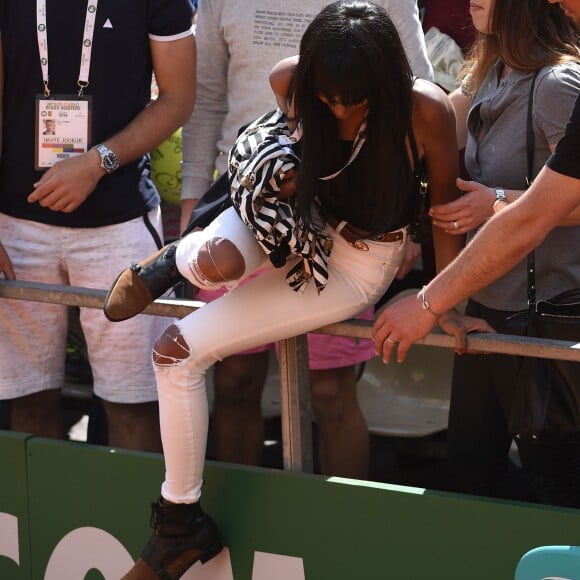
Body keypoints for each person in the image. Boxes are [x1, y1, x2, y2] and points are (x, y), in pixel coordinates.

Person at [106, 2, 487, 576]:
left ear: (384, 79)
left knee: (176, 351)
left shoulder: (425, 111)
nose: (338, 108)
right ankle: (181, 259)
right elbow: (255, 129)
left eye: (353, 98)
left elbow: (442, 212)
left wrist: (444, 299)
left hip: (357, 260)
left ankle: (183, 523)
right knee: (217, 261)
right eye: (327, 97)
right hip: (291, 216)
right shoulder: (290, 77)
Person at [178, 0, 435, 478]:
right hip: (247, 205)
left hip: (349, 223)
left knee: (332, 391)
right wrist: (195, 198)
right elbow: (207, 98)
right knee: (233, 380)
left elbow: (418, 91)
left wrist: (411, 220)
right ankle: (245, 527)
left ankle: (343, 529)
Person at [378, 0, 580, 507]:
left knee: (555, 486)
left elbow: (551, 204)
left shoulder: (558, 84)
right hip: (483, 309)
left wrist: (496, 204)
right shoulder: (487, 73)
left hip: (547, 318)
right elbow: (424, 134)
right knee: (471, 472)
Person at [0, 1, 196, 450]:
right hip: (16, 224)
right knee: (26, 402)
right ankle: (42, 521)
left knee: (134, 406)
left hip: (118, 223)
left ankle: (131, 521)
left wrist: (97, 163)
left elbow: (178, 97)